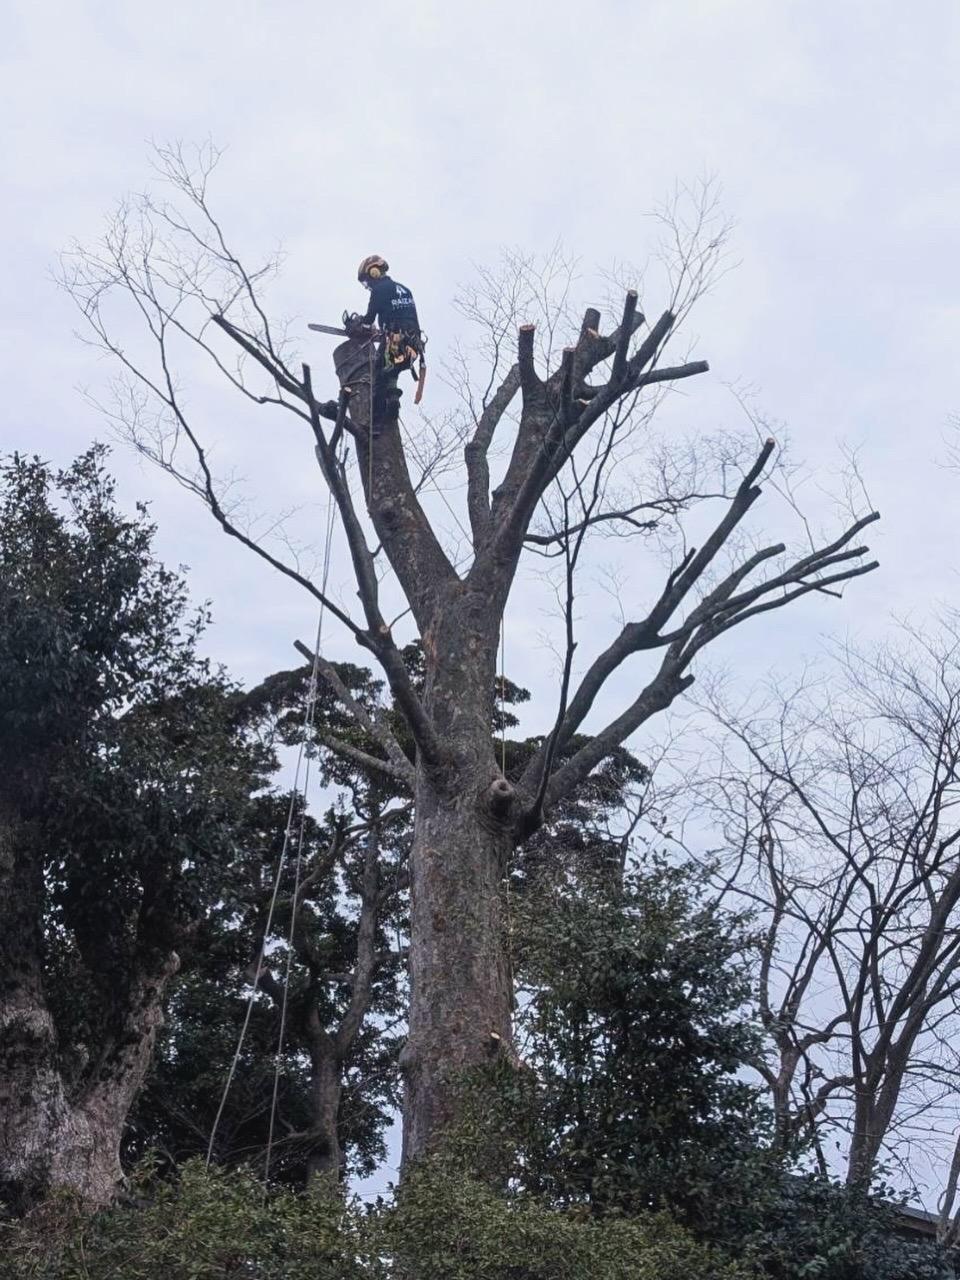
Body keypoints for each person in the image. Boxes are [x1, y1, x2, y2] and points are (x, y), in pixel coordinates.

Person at [355, 255, 423, 382]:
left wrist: (359, 325)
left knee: (376, 376)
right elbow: (403, 317)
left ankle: (382, 400)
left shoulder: (379, 290)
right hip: (413, 344)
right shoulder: (406, 289)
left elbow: (368, 320)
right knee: (389, 374)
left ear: (374, 272)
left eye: (366, 280)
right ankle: (392, 399)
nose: (367, 285)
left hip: (395, 343)